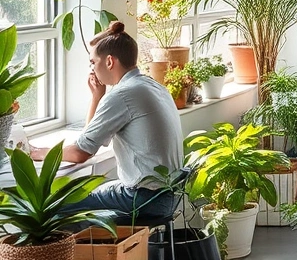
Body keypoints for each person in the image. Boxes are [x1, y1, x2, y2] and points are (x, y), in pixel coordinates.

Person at [31, 22, 183, 222]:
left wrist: (36, 153)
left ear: (109, 61)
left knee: (54, 205)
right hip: (168, 195)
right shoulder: (151, 85)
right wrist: (97, 98)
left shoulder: (122, 95)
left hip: (144, 199)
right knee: (87, 191)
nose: (92, 69)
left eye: (93, 62)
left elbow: (80, 153)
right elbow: (88, 137)